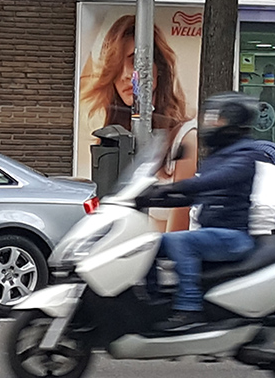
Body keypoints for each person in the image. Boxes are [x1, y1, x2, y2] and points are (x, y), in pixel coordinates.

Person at [136, 93, 263, 331]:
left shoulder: (247, 154)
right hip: (213, 232)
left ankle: (189, 308)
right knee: (147, 244)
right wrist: (149, 197)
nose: (211, 124)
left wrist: (174, 185)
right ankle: (153, 302)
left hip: (233, 236)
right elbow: (195, 195)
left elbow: (214, 181)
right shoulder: (219, 155)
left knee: (181, 241)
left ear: (234, 123)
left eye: (218, 119)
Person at [80, 14, 197, 232]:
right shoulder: (114, 136)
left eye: (136, 61)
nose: (126, 75)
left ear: (158, 67)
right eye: (117, 66)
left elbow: (178, 229)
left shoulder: (184, 137)